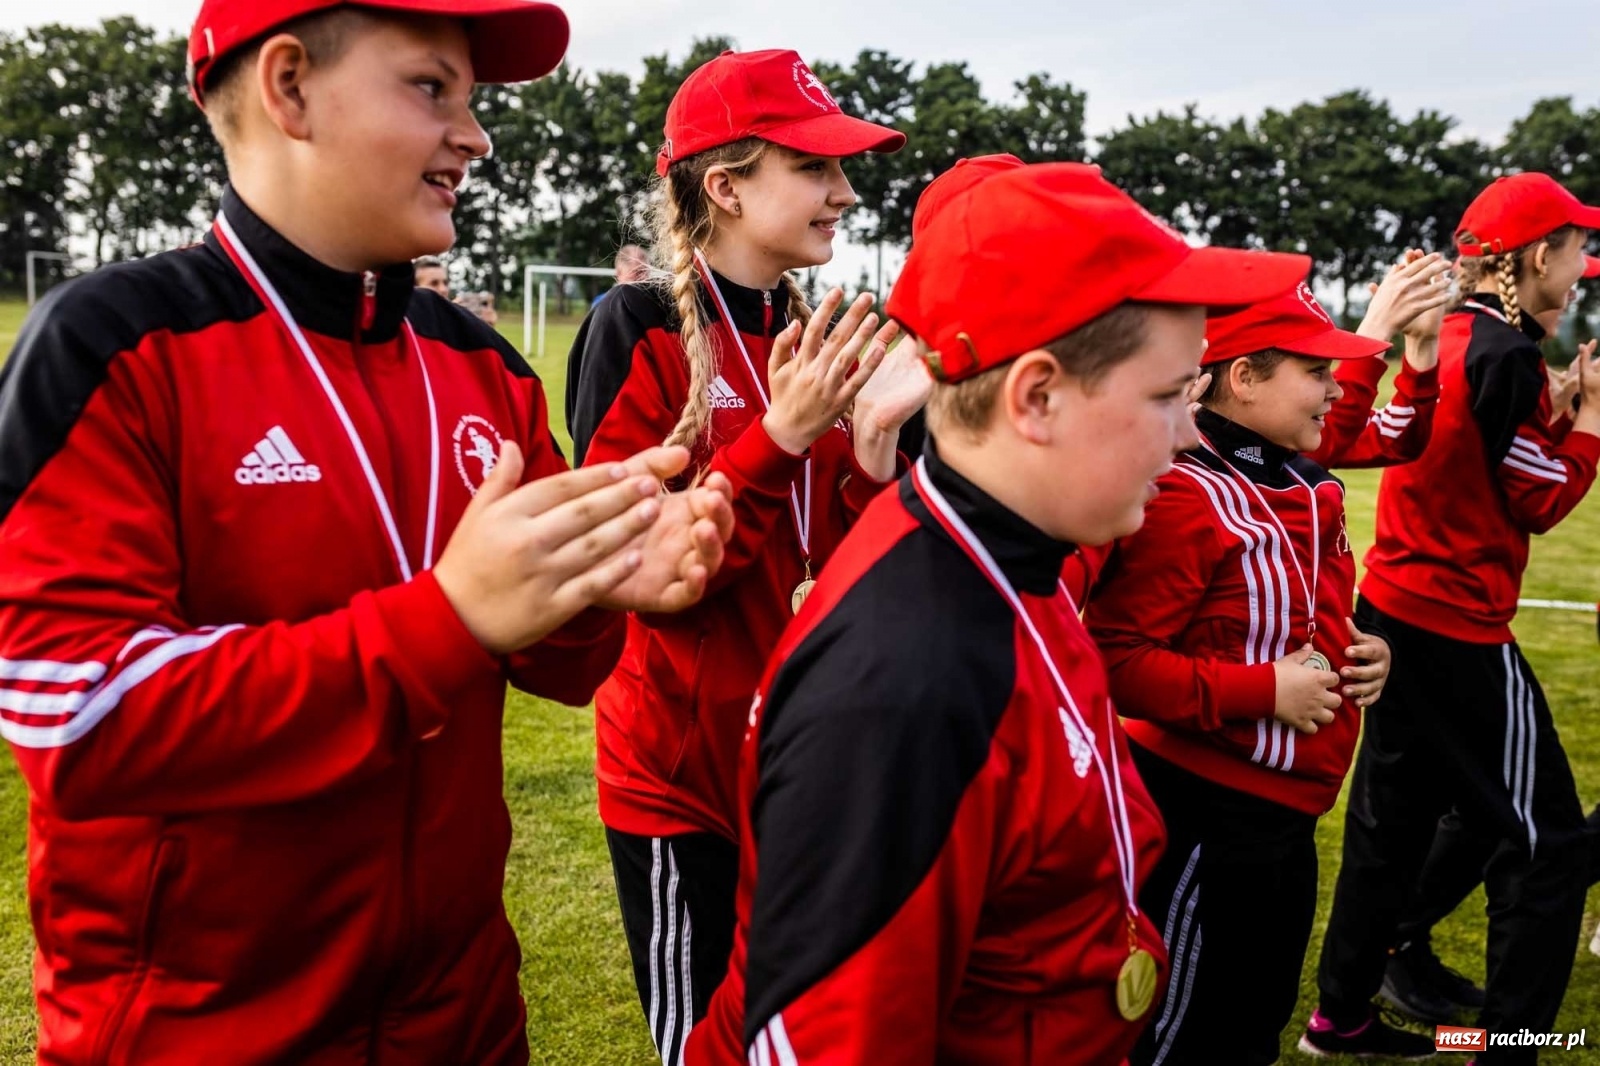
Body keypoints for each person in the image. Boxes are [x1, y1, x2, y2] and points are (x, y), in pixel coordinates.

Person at [0, 2, 736, 1062]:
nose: (476, 136)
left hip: (469, 1020)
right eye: (432, 89)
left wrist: (601, 586)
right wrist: (444, 617)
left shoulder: (478, 364)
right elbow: (77, 713)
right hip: (201, 1036)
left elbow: (556, 668)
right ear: (289, 87)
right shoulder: (117, 344)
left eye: (473, 102)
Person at [686, 162, 1315, 1066]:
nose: (1188, 438)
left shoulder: (1018, 563)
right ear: (1036, 398)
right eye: (1166, 397)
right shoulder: (905, 683)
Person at [563, 48, 922, 1063]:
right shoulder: (636, 329)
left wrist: (871, 458)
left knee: (799, 1035)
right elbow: (643, 572)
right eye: (815, 168)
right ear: (723, 187)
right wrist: (781, 439)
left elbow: (858, 574)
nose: (846, 193)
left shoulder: (814, 337)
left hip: (805, 765)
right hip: (682, 785)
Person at [1086, 277, 1445, 1064]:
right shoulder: (1184, 491)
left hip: (1288, 815)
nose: (1336, 389)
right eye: (1317, 371)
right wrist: (1263, 690)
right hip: (1205, 818)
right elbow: (1113, 663)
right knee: (1178, 1034)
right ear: (1242, 379)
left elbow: (1290, 619)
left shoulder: (1302, 479)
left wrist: (1362, 654)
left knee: (1255, 1018)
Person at [1309, 172, 1600, 1065]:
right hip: (1458, 626)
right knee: (1549, 846)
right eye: (1575, 248)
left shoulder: (1469, 338)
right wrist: (1587, 421)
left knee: (1392, 828)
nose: (1584, 266)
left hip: (1392, 613)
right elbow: (1535, 498)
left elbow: (1460, 461)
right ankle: (1506, 1047)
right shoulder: (1505, 353)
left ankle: (1342, 1016)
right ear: (1537, 255)